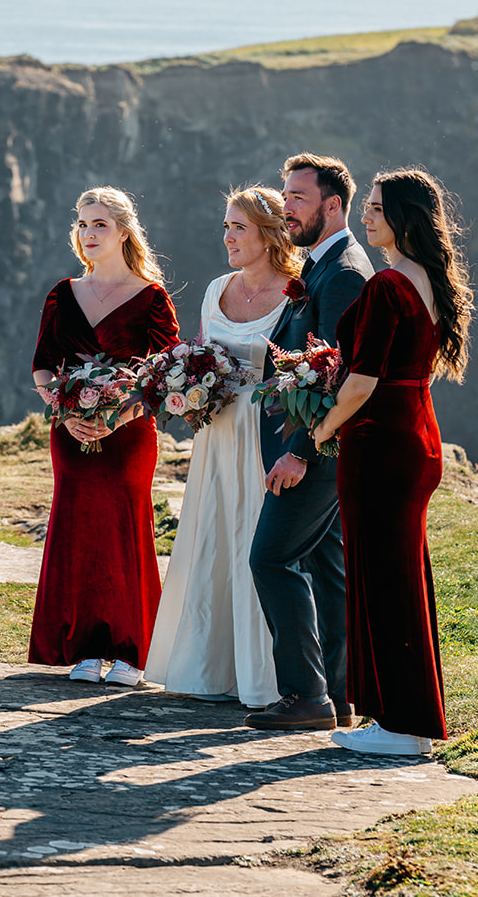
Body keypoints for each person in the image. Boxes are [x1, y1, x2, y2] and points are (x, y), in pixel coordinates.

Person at [311, 167, 474, 755]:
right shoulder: (429, 278)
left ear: (405, 218)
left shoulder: (388, 285)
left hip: (380, 442)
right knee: (401, 577)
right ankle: (402, 718)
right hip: (416, 434)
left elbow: (361, 383)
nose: (367, 215)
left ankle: (402, 725)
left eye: (378, 208)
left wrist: (321, 427)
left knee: (382, 580)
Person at [145, 186, 303, 707]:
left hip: (264, 434)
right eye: (226, 227)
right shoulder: (216, 289)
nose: (228, 237)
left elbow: (301, 370)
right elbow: (200, 353)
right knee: (213, 537)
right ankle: (208, 667)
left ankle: (263, 676)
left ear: (269, 235)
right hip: (216, 434)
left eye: (239, 228)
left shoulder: (297, 293)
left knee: (256, 541)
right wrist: (185, 387)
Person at [243, 153, 375, 732]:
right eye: (286, 195)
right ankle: (340, 696)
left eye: (298, 197)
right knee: (327, 568)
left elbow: (337, 374)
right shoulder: (320, 266)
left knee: (271, 558)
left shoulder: (343, 272)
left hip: (315, 453)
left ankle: (305, 696)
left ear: (333, 205)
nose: (286, 207)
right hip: (315, 450)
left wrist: (299, 450)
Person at [30, 187, 180, 687]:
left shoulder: (152, 297)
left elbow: (166, 375)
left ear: (123, 232)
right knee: (77, 530)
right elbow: (43, 365)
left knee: (125, 529)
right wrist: (64, 411)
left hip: (128, 434)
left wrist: (117, 419)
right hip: (70, 432)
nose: (89, 233)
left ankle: (133, 652)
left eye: (100, 224)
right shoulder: (62, 293)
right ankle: (86, 649)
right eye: (82, 224)